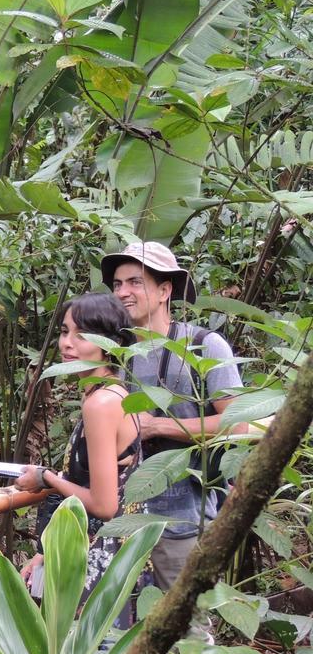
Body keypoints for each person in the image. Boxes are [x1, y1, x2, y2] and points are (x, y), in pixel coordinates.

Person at [101, 241, 243, 592]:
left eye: (135, 282)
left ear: (165, 290)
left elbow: (236, 425)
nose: (123, 292)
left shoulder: (204, 346)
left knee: (185, 625)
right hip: (123, 517)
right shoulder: (115, 354)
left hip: (184, 517)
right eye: (118, 284)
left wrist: (154, 426)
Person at [15, 294, 141, 625]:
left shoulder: (100, 404)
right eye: (65, 331)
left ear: (110, 343)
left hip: (98, 559)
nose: (67, 344)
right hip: (101, 549)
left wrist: (46, 478)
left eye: (82, 335)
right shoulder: (114, 393)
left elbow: (104, 505)